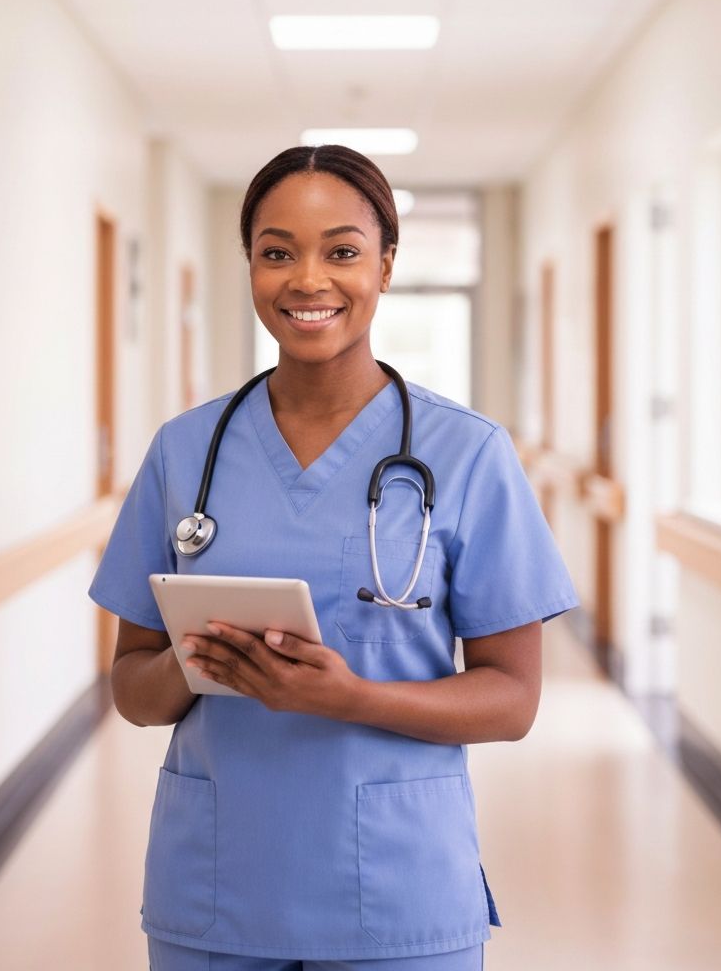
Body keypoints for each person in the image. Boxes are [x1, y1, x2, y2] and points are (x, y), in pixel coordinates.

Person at [88, 144, 579, 971]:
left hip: (398, 891)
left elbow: (512, 700)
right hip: (216, 890)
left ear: (386, 267)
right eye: (277, 251)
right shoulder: (185, 451)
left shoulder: (467, 455)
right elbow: (132, 688)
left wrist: (348, 697)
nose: (307, 280)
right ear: (249, 266)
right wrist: (193, 664)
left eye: (342, 251)